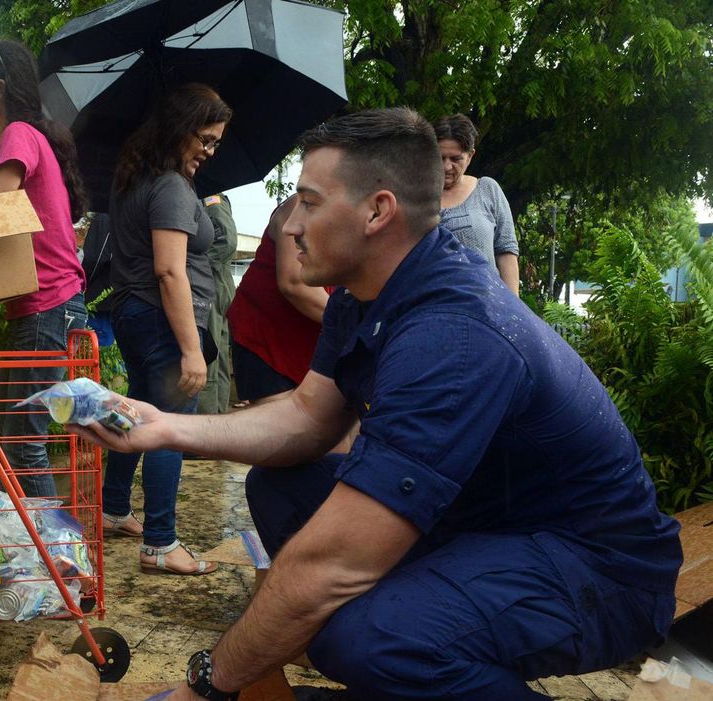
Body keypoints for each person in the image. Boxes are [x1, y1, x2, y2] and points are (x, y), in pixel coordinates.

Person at [72, 108, 681, 700]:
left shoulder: (453, 337)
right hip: (485, 518)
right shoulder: (363, 295)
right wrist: (162, 426)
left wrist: (207, 684)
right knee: (280, 488)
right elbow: (308, 416)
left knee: (370, 640)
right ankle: (415, 637)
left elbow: (331, 564)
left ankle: (409, 643)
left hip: (594, 568)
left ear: (377, 211)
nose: (288, 226)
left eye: (309, 202)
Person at [100, 83, 232, 574]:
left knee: (135, 411)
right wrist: (192, 350)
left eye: (216, 142)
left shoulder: (134, 177)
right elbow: (170, 270)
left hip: (134, 313)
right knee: (169, 426)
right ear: (180, 129)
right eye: (205, 138)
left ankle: (114, 508)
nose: (209, 151)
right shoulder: (171, 186)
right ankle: (160, 541)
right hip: (162, 317)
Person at [0, 37, 89, 498]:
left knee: (22, 444)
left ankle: (54, 557)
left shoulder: (18, 134)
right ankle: (21, 551)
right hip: (47, 305)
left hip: (46, 306)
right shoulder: (33, 135)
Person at [226, 195, 330, 406]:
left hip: (313, 340)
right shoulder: (301, 205)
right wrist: (358, 325)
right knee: (287, 432)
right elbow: (295, 283)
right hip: (269, 339)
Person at [434, 114, 520, 294]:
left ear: (470, 156)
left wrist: (512, 312)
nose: (447, 167)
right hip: (432, 308)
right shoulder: (416, 195)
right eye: (440, 158)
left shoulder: (487, 189)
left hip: (487, 305)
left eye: (456, 159)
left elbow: (506, 253)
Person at [196, 193, 237, 415]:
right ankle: (217, 414)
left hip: (211, 284)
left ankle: (206, 416)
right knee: (217, 352)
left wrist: (195, 265)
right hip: (216, 283)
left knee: (208, 352)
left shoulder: (211, 196)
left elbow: (227, 241)